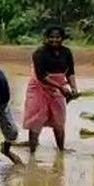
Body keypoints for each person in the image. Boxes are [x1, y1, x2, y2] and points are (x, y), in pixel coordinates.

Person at [23, 25, 78, 153]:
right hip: (39, 88)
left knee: (59, 121)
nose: (54, 40)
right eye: (51, 37)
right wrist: (61, 88)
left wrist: (74, 87)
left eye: (57, 37)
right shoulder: (39, 53)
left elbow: (70, 72)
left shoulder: (67, 52)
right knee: (36, 120)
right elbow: (42, 76)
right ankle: (32, 152)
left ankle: (61, 150)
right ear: (46, 38)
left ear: (62, 38)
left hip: (59, 88)